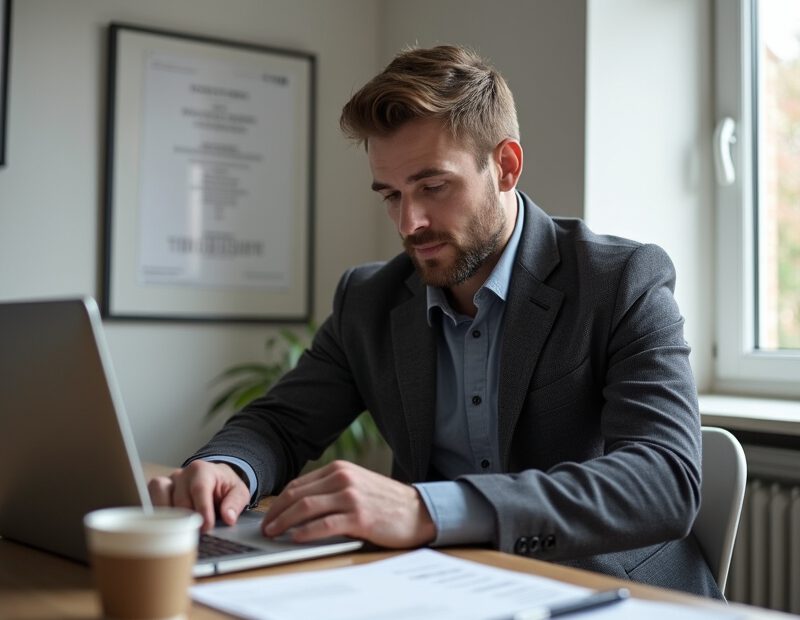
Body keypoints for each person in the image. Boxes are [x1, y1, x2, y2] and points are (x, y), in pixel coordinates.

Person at [149, 45, 720, 597]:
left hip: (611, 590)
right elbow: (281, 423)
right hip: (443, 593)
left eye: (433, 186)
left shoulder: (619, 279)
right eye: (391, 195)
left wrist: (427, 509)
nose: (410, 223)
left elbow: (664, 481)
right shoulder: (369, 299)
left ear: (506, 166)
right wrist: (229, 468)